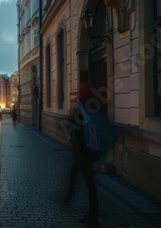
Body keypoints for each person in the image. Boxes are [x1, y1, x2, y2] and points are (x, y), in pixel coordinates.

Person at [62, 84, 101, 227]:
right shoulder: (96, 107)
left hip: (82, 151)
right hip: (88, 152)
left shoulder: (82, 108)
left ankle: (93, 217)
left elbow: (75, 127)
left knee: (88, 183)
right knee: (82, 179)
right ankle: (69, 198)